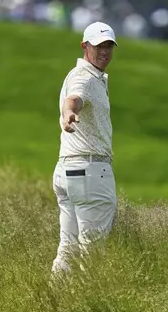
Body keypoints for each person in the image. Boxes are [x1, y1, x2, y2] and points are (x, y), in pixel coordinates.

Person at [51, 21, 118, 275]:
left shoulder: (89, 76)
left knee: (68, 247)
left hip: (68, 171)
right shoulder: (84, 77)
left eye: (109, 46)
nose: (104, 52)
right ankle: (87, 304)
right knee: (93, 251)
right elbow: (74, 99)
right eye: (99, 46)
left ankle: (55, 302)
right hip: (89, 171)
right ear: (84, 46)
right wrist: (69, 113)